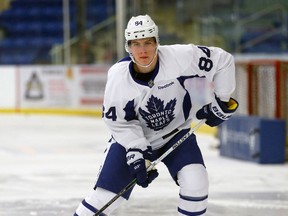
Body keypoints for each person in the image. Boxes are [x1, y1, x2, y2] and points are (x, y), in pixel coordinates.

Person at [74, 14, 238, 216]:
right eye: (136, 44)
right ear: (128, 47)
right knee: (104, 198)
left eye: (148, 43)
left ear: (157, 43)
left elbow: (222, 60)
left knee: (197, 183)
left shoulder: (181, 57)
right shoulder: (118, 77)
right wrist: (136, 153)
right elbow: (119, 123)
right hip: (134, 140)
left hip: (176, 134)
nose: (142, 50)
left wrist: (221, 100)